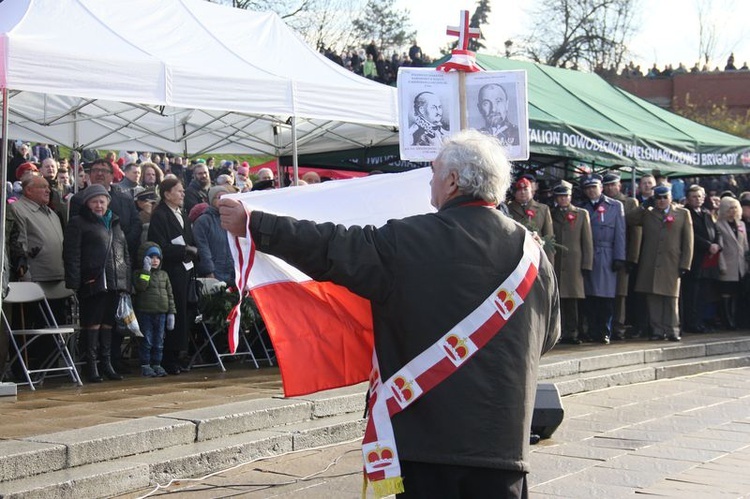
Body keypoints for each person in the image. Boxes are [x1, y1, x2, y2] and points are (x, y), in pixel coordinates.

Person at [219, 129, 560, 498]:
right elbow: (549, 335)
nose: (430, 180)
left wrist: (255, 224)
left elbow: (330, 246)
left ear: (452, 180)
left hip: (426, 447)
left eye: (434, 171)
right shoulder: (533, 253)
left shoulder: (408, 239)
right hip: (503, 446)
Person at [63, 184, 130, 382]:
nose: (99, 205)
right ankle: (91, 366)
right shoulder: (78, 223)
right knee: (92, 323)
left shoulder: (115, 223)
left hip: (114, 281)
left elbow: (124, 253)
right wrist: (74, 282)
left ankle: (106, 363)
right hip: (92, 280)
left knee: (108, 324)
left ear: (108, 202)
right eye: (95, 201)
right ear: (87, 204)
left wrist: (125, 281)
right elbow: (71, 254)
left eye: (102, 201)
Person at [627, 185, 693, 341]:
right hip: (651, 262)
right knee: (653, 297)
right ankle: (657, 330)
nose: (662, 201)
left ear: (670, 197)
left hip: (672, 262)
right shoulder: (648, 213)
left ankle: (673, 330)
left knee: (671, 299)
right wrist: (643, 206)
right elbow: (630, 219)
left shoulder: (682, 213)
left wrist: (685, 264)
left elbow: (688, 242)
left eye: (665, 197)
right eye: (658, 198)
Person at [147, 177, 198, 375]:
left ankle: (179, 354)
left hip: (185, 270)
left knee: (184, 314)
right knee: (173, 315)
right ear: (167, 194)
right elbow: (158, 245)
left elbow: (189, 239)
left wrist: (193, 251)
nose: (183, 194)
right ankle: (168, 357)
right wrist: (184, 249)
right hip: (170, 272)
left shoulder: (182, 214)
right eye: (178, 191)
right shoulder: (160, 216)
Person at [579, 174, 626, 344]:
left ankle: (605, 330)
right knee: (590, 297)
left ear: (601, 188)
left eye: (594, 187)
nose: (591, 191)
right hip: (589, 255)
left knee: (606, 297)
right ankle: (592, 330)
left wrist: (619, 257)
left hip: (607, 254)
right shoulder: (582, 207)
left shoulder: (615, 206)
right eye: (588, 188)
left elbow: (620, 233)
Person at [551, 181, 593, 345]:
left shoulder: (581, 214)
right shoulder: (552, 213)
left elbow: (587, 241)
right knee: (558, 300)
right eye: (560, 196)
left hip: (574, 264)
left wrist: (587, 264)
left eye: (566, 196)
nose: (563, 199)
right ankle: (559, 332)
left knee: (573, 301)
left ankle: (573, 331)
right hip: (558, 261)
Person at [602, 172, 641, 340]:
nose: (610, 188)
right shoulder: (602, 203)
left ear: (619, 186)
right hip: (605, 253)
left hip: (622, 253)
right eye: (607, 185)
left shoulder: (629, 202)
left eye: (613, 185)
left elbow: (636, 232)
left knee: (620, 294)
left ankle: (618, 326)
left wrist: (632, 257)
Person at [682, 185, 721, 333]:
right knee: (692, 293)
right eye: (694, 196)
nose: (697, 199)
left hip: (708, 260)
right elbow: (691, 235)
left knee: (703, 294)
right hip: (694, 258)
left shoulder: (706, 213)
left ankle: (700, 321)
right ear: (688, 198)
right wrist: (708, 245)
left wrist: (716, 244)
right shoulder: (687, 213)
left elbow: (715, 230)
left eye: (699, 196)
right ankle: (691, 323)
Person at [133, 242, 175, 377]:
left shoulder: (164, 275)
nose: (155, 260)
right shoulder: (140, 273)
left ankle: (157, 363)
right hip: (145, 312)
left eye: (157, 257)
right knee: (147, 340)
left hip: (161, 313)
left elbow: (170, 294)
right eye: (151, 257)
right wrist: (146, 271)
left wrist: (171, 313)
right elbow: (141, 286)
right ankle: (145, 364)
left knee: (159, 341)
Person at [715, 196, 747, 330]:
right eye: (730, 208)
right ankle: (727, 320)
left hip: (741, 265)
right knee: (726, 292)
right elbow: (720, 248)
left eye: (735, 208)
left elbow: (745, 245)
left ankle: (735, 319)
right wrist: (721, 265)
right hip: (727, 264)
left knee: (737, 293)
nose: (733, 211)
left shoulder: (741, 224)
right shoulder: (719, 225)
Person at [193, 185, 236, 283]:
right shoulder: (203, 221)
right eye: (219, 198)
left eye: (226, 198)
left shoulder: (232, 218)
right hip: (215, 272)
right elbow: (202, 248)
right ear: (211, 200)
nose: (223, 201)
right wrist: (209, 271)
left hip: (233, 272)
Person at [507, 177, 555, 262]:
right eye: (519, 190)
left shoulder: (543, 209)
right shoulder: (508, 208)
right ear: (514, 193)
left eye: (526, 189)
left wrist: (549, 262)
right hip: (515, 257)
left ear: (532, 191)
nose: (522, 192)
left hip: (537, 256)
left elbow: (549, 238)